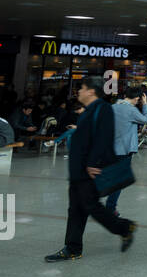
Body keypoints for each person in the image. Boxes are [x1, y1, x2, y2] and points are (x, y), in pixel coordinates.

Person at [44, 77, 136, 261]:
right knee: (76, 208)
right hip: (79, 169)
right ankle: (73, 248)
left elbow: (103, 138)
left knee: (90, 206)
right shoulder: (90, 110)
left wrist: (94, 162)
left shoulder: (103, 108)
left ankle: (125, 228)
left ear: (92, 91)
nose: (79, 91)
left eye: (82, 88)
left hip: (90, 169)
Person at [106, 88, 147, 214]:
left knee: (113, 177)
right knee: (119, 180)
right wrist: (145, 104)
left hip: (111, 148)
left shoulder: (113, 107)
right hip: (124, 149)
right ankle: (110, 207)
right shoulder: (131, 110)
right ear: (137, 98)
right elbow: (145, 119)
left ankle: (108, 206)